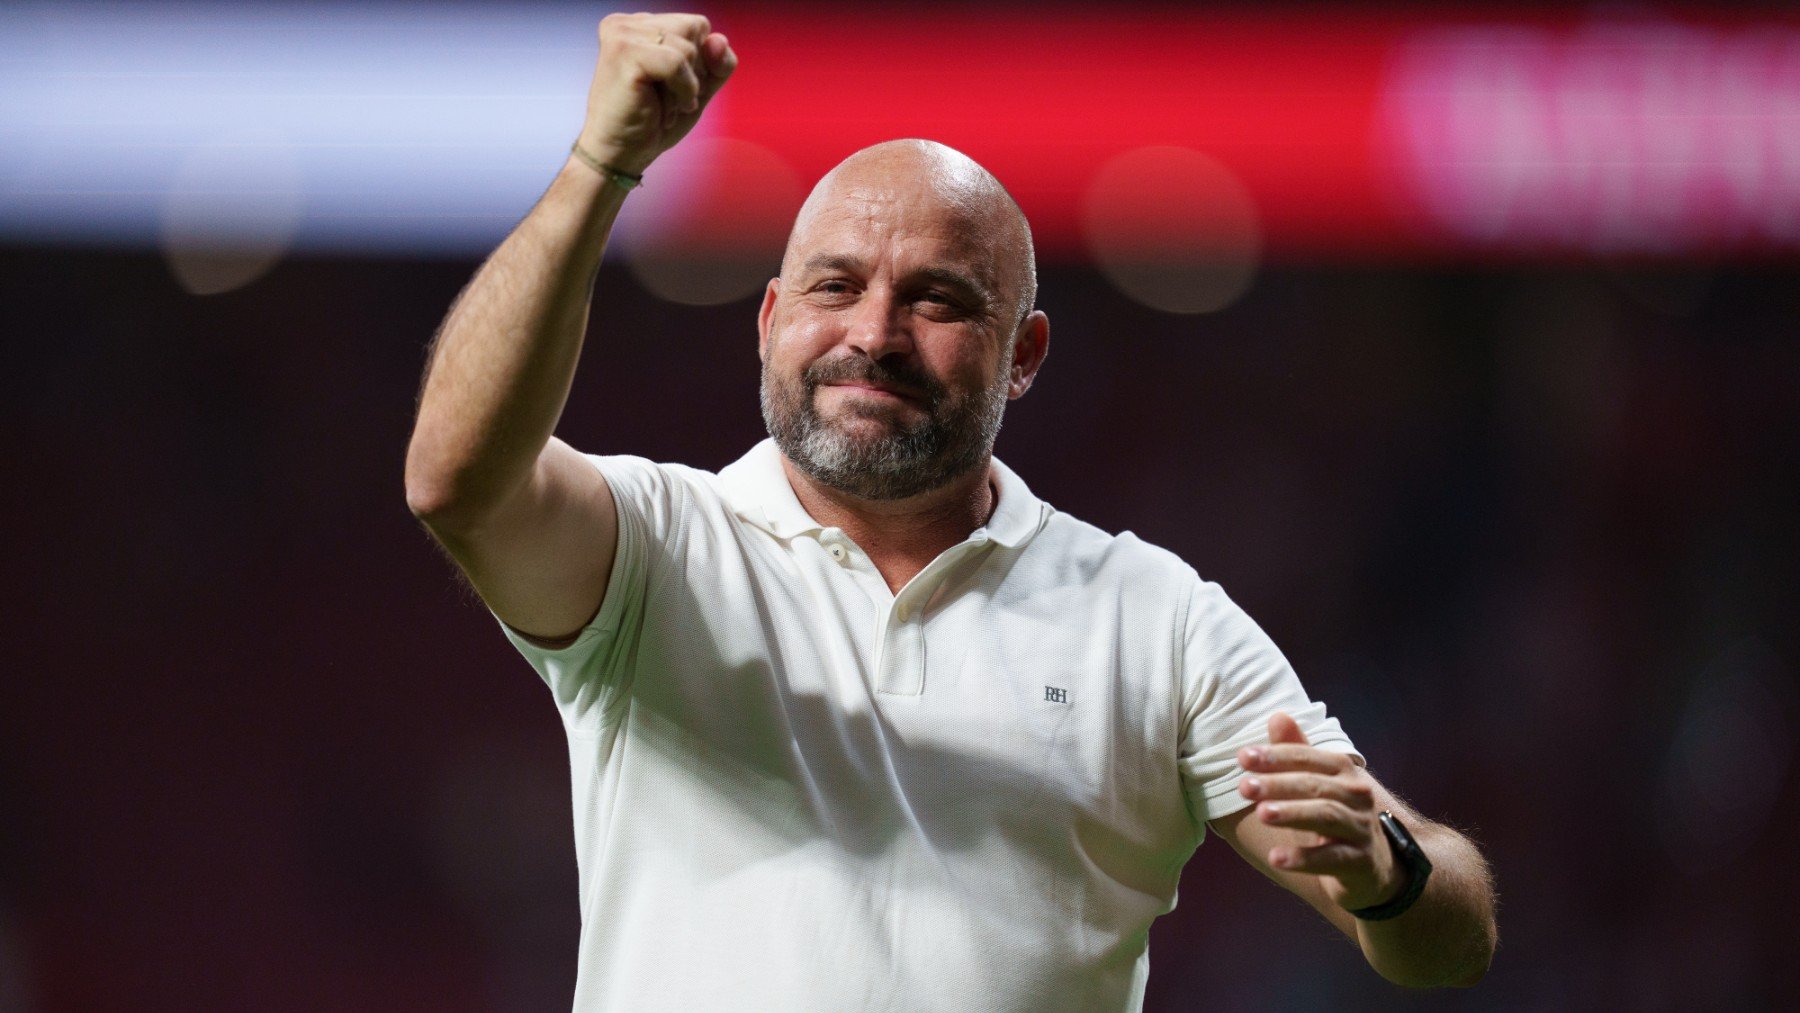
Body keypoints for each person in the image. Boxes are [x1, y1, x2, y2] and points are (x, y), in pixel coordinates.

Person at [404, 11, 1498, 1011]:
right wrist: (602, 166)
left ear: (1023, 354)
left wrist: (1390, 867)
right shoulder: (656, 545)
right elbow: (455, 479)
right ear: (770, 318)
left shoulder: (1151, 617)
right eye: (835, 287)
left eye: (937, 299)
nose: (874, 333)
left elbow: (1452, 937)